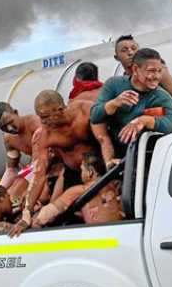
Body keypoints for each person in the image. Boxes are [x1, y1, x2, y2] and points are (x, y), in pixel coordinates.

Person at [9, 90, 115, 237]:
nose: (43, 122)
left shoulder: (85, 111)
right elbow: (38, 174)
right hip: (73, 176)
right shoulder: (43, 135)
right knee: (64, 217)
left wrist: (110, 166)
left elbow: (104, 140)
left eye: (46, 117)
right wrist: (27, 213)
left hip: (100, 170)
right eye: (40, 118)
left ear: (60, 110)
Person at [90, 48, 172, 164]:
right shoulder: (114, 85)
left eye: (159, 71)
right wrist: (114, 103)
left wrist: (144, 121)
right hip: (116, 159)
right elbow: (94, 116)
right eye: (151, 71)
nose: (156, 76)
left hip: (147, 159)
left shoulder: (162, 97)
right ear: (135, 69)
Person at [114, 34, 172, 126]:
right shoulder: (121, 83)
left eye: (134, 49)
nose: (130, 53)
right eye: (124, 50)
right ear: (116, 57)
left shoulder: (157, 71)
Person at [31, 151, 124, 228]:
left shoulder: (80, 190)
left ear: (90, 172)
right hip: (122, 229)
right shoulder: (115, 185)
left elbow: (47, 214)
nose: (81, 174)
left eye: (82, 170)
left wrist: (33, 220)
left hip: (101, 237)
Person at [0, 102, 41, 192]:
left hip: (55, 165)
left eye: (10, 122)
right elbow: (11, 170)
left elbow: (44, 157)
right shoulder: (9, 139)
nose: (10, 128)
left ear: (16, 113)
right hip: (37, 168)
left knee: (20, 185)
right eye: (4, 127)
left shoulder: (34, 123)